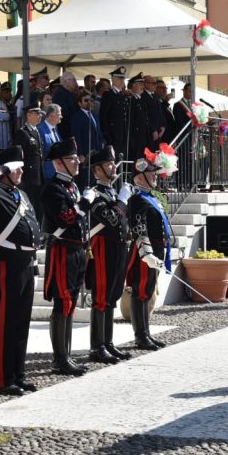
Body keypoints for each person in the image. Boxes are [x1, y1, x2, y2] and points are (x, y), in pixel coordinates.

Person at [0, 146, 41, 395]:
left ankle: (18, 374)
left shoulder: (20, 194)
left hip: (24, 261)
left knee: (21, 321)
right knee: (5, 321)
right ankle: (2, 378)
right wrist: (2, 167)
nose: (22, 170)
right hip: (5, 261)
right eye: (18, 167)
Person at [42, 138, 92, 375]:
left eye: (76, 158)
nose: (77, 162)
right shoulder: (53, 189)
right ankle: (60, 358)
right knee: (64, 301)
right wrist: (84, 204)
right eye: (71, 159)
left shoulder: (72, 186)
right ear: (58, 163)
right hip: (63, 250)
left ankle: (67, 354)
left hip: (77, 249)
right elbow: (66, 218)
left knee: (71, 301)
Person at [84, 146, 134, 363]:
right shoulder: (94, 193)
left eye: (113, 163)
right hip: (103, 248)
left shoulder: (112, 192)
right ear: (97, 170)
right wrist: (123, 200)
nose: (114, 166)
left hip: (118, 247)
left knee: (112, 297)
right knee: (102, 297)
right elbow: (111, 219)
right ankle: (97, 346)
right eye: (109, 163)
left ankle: (108, 342)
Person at [126, 149, 173, 350]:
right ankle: (141, 336)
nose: (155, 176)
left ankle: (146, 333)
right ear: (140, 177)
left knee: (148, 290)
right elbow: (139, 227)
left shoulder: (151, 198)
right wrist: (147, 253)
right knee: (141, 291)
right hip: (145, 252)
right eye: (151, 173)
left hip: (155, 250)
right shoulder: (137, 200)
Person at [13, 104, 46, 226]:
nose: (40, 116)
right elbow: (19, 155)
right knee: (30, 204)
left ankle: (38, 228)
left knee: (39, 205)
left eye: (40, 113)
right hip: (29, 176)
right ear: (28, 115)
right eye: (36, 113)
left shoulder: (36, 131)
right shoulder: (23, 133)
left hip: (39, 175)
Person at [72, 90, 103, 189]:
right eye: (86, 100)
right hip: (85, 155)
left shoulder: (94, 115)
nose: (89, 102)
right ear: (79, 103)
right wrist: (80, 153)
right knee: (85, 181)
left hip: (95, 154)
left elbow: (98, 132)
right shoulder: (77, 117)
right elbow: (76, 136)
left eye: (91, 100)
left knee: (95, 179)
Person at [99, 67, 130, 154]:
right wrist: (106, 134)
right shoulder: (108, 95)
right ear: (113, 80)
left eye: (123, 79)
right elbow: (104, 116)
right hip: (113, 134)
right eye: (120, 79)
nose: (122, 81)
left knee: (122, 157)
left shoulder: (122, 95)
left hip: (123, 133)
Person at [53, 72, 81, 141]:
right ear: (66, 81)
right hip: (66, 132)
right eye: (74, 80)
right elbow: (64, 114)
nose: (76, 82)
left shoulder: (68, 93)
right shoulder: (60, 94)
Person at [38, 104, 63, 181]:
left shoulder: (55, 129)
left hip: (57, 172)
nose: (61, 116)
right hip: (47, 173)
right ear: (51, 115)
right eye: (59, 114)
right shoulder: (40, 130)